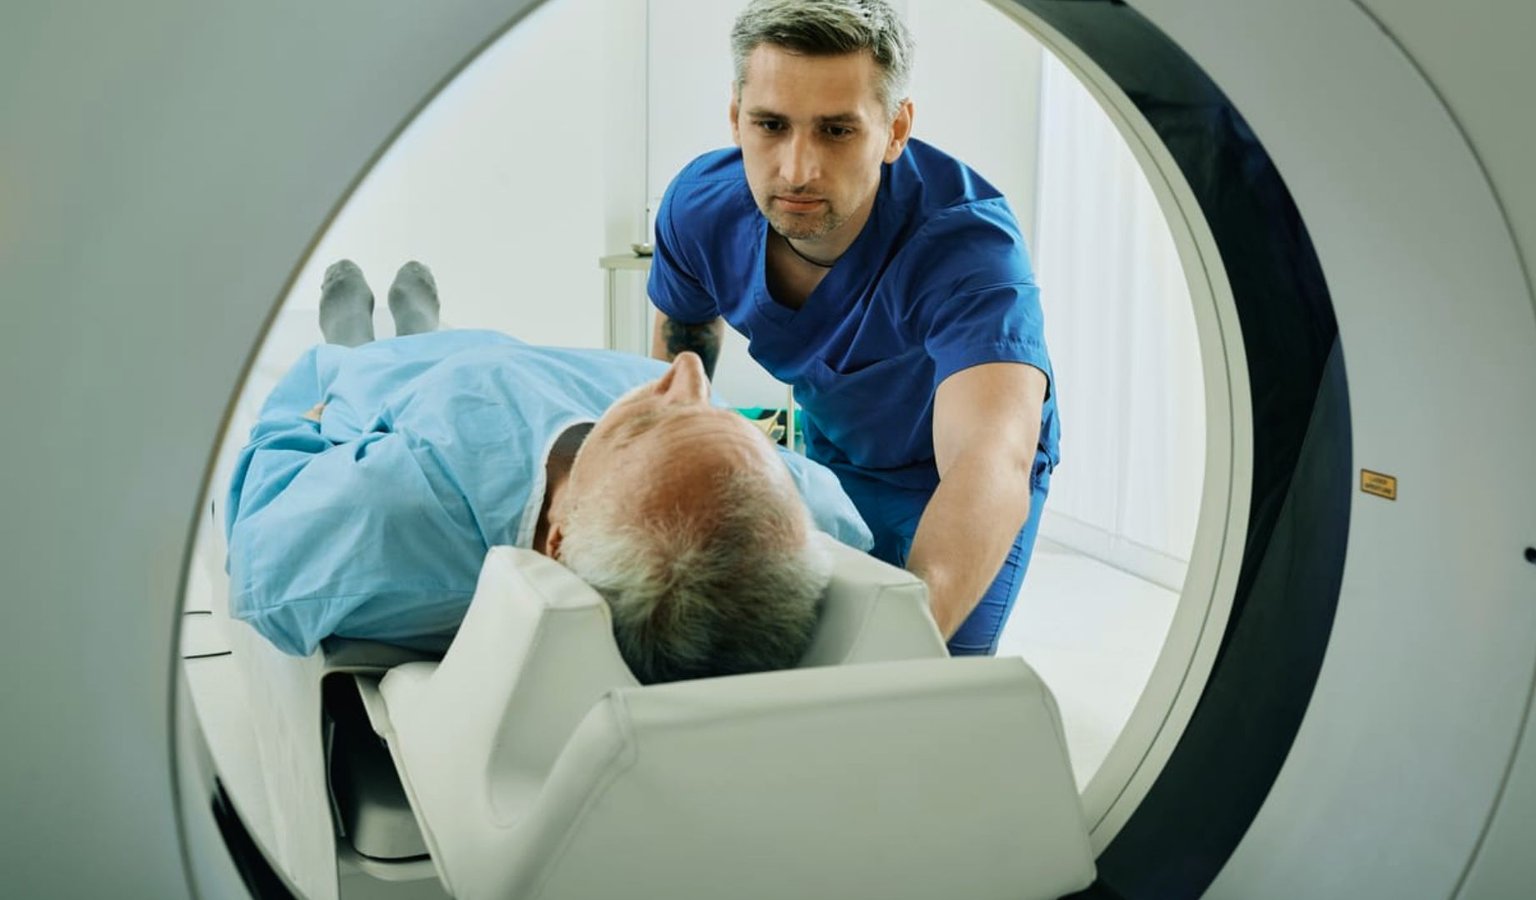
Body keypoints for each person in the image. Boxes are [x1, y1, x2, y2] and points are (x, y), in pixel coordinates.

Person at [225, 260, 873, 684]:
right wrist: (682, 429)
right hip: (528, 364)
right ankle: (426, 327)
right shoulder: (806, 513)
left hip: (404, 397)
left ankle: (350, 341)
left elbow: (261, 540)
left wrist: (303, 420)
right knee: (469, 342)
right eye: (712, 416)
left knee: (358, 366)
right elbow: (840, 517)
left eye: (651, 424)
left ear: (557, 541)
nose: (689, 371)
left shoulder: (399, 515)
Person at [648, 0, 1058, 655]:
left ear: (896, 129)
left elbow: (989, 457)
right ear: (735, 118)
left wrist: (899, 654)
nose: (797, 169)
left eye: (837, 131)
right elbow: (682, 349)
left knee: (923, 673)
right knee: (792, 643)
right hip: (838, 453)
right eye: (771, 124)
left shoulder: (967, 246)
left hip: (954, 477)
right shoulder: (701, 210)